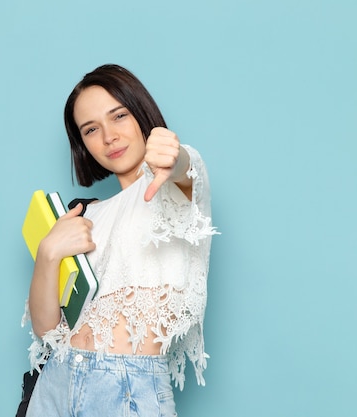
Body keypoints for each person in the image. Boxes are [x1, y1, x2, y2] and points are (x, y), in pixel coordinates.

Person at [22, 64, 218, 417]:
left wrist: (173, 156)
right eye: (91, 129)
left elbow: (186, 170)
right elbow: (46, 329)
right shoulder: (83, 216)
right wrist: (48, 253)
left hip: (123, 386)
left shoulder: (172, 192)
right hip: (54, 385)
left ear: (141, 112)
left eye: (119, 116)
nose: (109, 136)